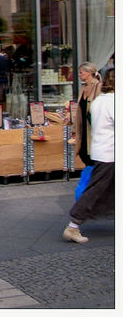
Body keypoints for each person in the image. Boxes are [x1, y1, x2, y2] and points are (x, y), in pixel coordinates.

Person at [62, 69, 114, 243]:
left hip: (102, 149)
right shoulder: (114, 102)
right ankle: (73, 225)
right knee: (95, 190)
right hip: (110, 153)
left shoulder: (99, 101)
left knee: (105, 190)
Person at [73, 62, 102, 167]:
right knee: (83, 153)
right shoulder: (83, 88)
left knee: (92, 154)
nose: (79, 75)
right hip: (84, 126)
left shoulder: (99, 86)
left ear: (89, 72)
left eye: (81, 73)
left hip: (94, 126)